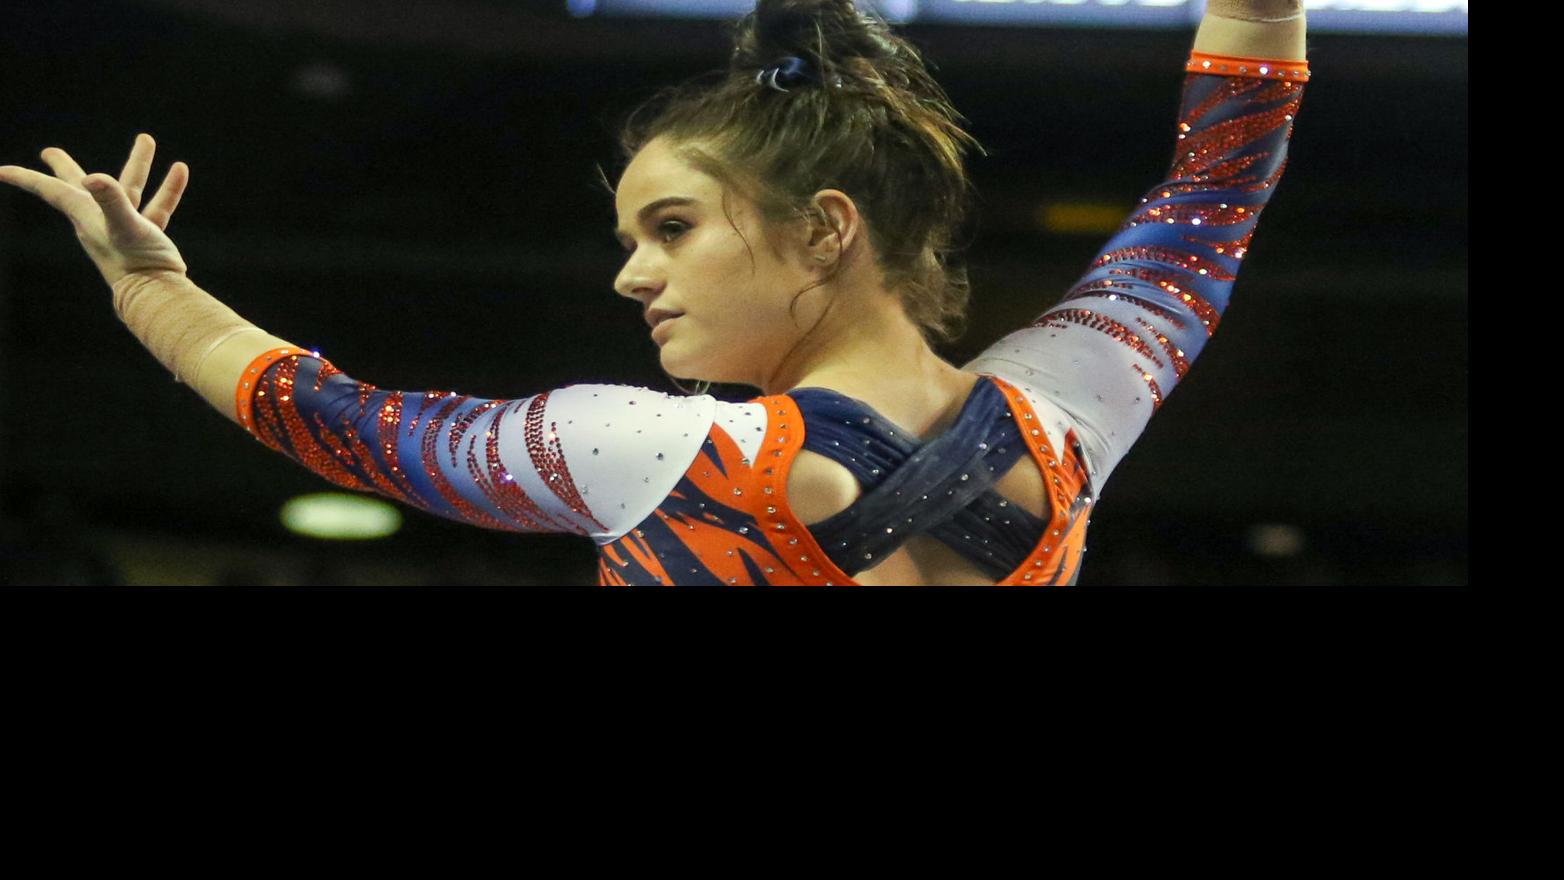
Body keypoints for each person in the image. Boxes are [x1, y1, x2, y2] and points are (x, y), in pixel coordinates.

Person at [0, 0, 1308, 586]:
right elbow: (1213, 193)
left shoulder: (663, 451)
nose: (633, 273)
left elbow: (336, 420)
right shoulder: (1071, 416)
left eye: (671, 229)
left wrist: (148, 286)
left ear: (825, 230)